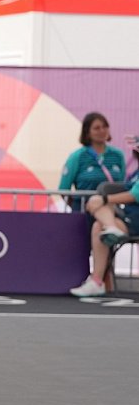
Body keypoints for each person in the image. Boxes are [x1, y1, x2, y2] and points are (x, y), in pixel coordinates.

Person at [65, 115, 132, 296]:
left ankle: (101, 282)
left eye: (104, 127)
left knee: (105, 236)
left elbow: (124, 185)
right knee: (86, 246)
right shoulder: (78, 157)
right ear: (87, 132)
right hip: (84, 211)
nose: (102, 131)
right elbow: (64, 188)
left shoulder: (117, 155)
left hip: (111, 210)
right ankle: (89, 280)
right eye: (96, 128)